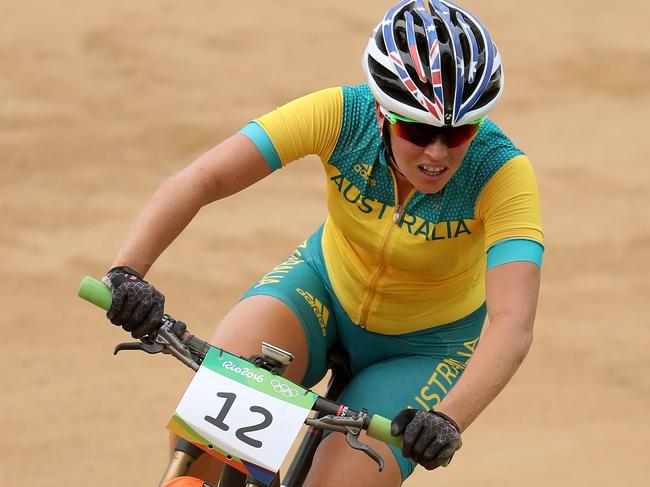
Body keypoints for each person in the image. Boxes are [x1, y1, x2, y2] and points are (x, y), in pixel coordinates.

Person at [102, 0, 543, 485]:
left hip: (426, 349)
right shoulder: (340, 114)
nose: (437, 152)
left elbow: (512, 321)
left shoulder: (501, 172)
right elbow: (203, 178)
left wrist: (449, 419)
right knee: (205, 438)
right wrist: (128, 271)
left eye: (459, 132)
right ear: (381, 111)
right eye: (418, 129)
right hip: (321, 291)